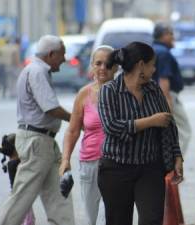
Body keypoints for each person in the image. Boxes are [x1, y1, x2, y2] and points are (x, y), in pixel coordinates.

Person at [97, 41, 184, 225]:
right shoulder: (109, 91)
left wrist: (177, 156)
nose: (154, 70)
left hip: (150, 168)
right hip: (116, 170)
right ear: (141, 65)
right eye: (153, 65)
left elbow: (168, 124)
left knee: (152, 219)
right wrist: (151, 121)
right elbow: (111, 126)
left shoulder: (153, 89)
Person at [0, 35, 74, 225]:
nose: (64, 59)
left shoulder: (37, 70)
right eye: (62, 55)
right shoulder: (37, 71)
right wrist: (76, 119)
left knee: (59, 195)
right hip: (37, 142)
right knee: (22, 196)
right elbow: (51, 108)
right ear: (51, 54)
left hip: (44, 141)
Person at [59, 45, 117, 225]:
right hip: (89, 164)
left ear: (116, 67)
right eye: (98, 63)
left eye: (108, 64)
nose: (102, 68)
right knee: (92, 219)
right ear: (91, 66)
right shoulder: (84, 94)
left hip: (116, 164)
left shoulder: (123, 92)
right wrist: (65, 160)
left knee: (107, 217)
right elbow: (73, 130)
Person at [152, 23, 192, 154]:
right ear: (163, 36)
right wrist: (167, 104)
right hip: (167, 96)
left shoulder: (153, 50)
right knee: (184, 131)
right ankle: (175, 165)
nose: (173, 37)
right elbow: (164, 79)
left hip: (155, 97)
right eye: (170, 34)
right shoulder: (163, 53)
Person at [0, 133, 35, 225]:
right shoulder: (16, 163)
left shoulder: (12, 162)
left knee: (27, 219)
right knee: (28, 220)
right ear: (16, 148)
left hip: (19, 195)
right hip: (21, 195)